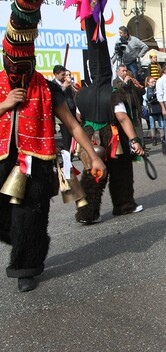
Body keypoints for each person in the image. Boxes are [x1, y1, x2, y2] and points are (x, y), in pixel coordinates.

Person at [0, 0, 106, 292]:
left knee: (31, 215)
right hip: (2, 160)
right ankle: (20, 239)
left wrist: (92, 159)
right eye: (13, 64)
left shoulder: (47, 88)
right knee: (10, 219)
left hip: (36, 163)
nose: (17, 68)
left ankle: (26, 267)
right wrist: (5, 105)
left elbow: (72, 124)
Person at [74, 6, 145, 225]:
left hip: (89, 135)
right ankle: (123, 205)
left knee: (92, 173)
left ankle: (87, 213)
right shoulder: (114, 92)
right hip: (112, 136)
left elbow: (78, 117)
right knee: (121, 172)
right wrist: (134, 140)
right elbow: (122, 118)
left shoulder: (82, 93)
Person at [112, 65, 145, 143]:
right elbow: (117, 90)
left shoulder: (131, 81)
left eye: (126, 70)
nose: (125, 72)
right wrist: (124, 82)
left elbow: (142, 92)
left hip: (135, 108)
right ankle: (132, 144)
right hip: (125, 109)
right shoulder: (115, 81)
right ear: (117, 72)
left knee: (138, 127)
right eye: (123, 71)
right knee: (129, 126)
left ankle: (141, 145)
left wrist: (139, 86)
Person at [53, 65, 78, 151]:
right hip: (63, 116)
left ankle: (72, 152)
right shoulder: (53, 85)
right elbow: (56, 98)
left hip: (72, 112)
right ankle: (67, 159)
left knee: (74, 136)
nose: (65, 77)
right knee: (66, 138)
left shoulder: (68, 84)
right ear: (56, 74)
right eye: (63, 75)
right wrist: (63, 87)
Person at [143, 76, 164, 146]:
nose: (154, 83)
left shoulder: (157, 88)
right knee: (152, 124)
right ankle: (154, 138)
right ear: (148, 83)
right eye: (152, 82)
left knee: (161, 123)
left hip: (158, 107)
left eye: (155, 81)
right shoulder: (146, 90)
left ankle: (162, 138)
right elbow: (145, 99)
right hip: (151, 108)